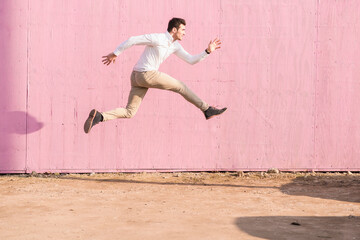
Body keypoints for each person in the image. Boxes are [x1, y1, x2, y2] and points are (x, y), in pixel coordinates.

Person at [84, 17, 227, 134]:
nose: (184, 33)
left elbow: (191, 60)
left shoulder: (175, 46)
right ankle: (207, 109)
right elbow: (132, 40)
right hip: (146, 74)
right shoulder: (158, 38)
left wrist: (207, 51)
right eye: (183, 30)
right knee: (181, 86)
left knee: (130, 112)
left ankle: (100, 116)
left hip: (136, 78)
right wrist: (115, 53)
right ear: (174, 29)